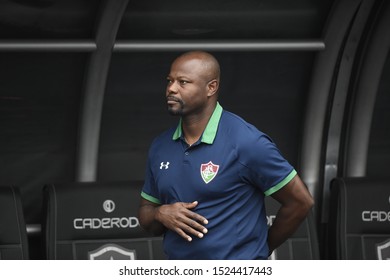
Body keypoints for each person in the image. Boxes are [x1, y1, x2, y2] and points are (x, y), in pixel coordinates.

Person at [138, 51, 314, 260]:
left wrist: (260, 251)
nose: (171, 89)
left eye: (183, 82)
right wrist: (160, 213)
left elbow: (300, 202)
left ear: (211, 87)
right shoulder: (161, 146)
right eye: (170, 81)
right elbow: (146, 212)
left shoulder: (246, 142)